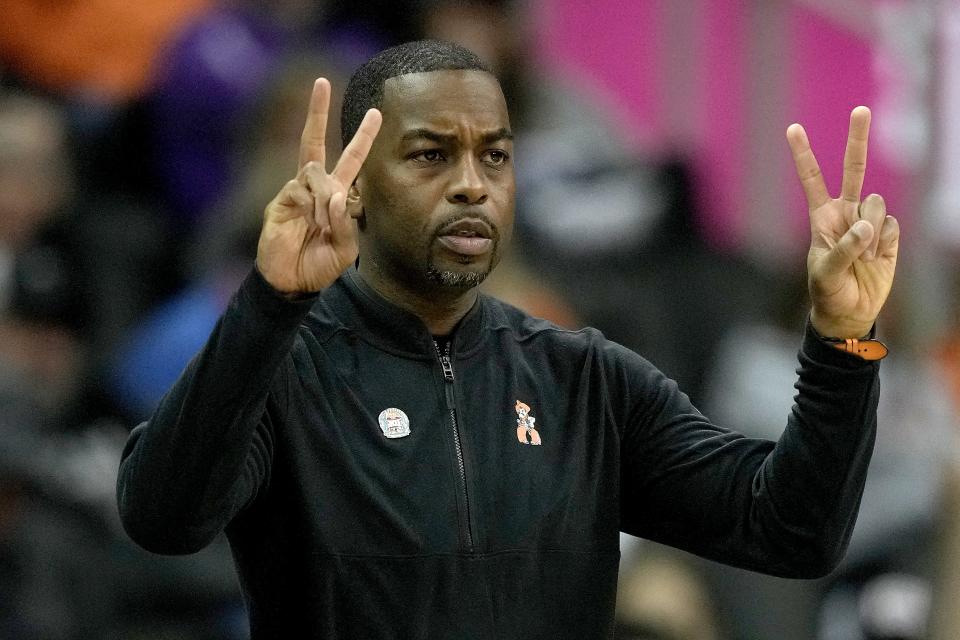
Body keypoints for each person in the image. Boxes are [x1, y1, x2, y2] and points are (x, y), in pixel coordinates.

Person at [116, 40, 900, 638]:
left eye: (494, 154)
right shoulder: (285, 368)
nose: (471, 182)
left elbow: (791, 530)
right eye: (431, 154)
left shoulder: (584, 378)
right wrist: (270, 302)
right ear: (352, 185)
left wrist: (841, 342)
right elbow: (163, 518)